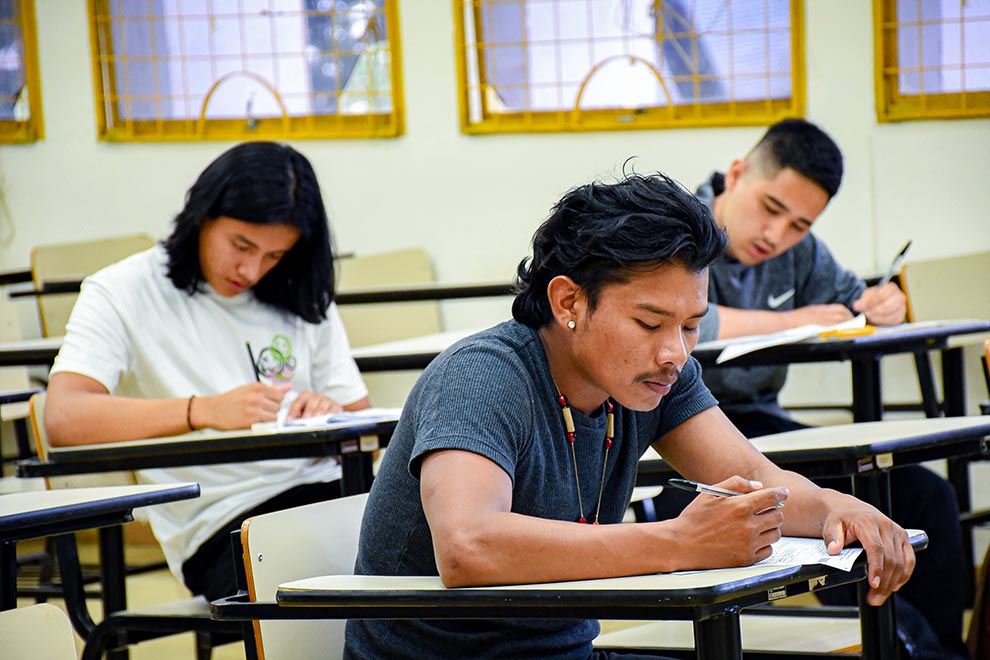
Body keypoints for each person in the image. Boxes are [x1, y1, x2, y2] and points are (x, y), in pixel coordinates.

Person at [344, 171, 915, 660]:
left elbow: (760, 482)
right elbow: (469, 547)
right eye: (649, 323)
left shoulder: (654, 378)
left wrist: (841, 507)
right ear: (569, 301)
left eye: (692, 325)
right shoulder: (482, 376)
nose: (675, 352)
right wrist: (679, 543)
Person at [678, 118, 967, 659]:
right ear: (737, 174)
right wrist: (793, 321)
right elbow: (691, 321)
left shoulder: (801, 252)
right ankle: (898, 640)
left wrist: (882, 306)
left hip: (766, 426)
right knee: (849, 508)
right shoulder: (679, 225)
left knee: (928, 495)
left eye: (799, 225)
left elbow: (853, 300)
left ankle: (943, 651)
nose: (778, 235)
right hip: (687, 431)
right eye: (770, 208)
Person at [44, 142, 370, 601]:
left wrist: (326, 413)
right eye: (242, 245)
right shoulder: (123, 290)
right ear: (201, 214)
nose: (252, 269)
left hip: (330, 494)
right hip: (225, 528)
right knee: (393, 560)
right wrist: (202, 411)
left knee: (439, 523)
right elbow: (64, 418)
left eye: (274, 256)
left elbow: (364, 428)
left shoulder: (296, 289)